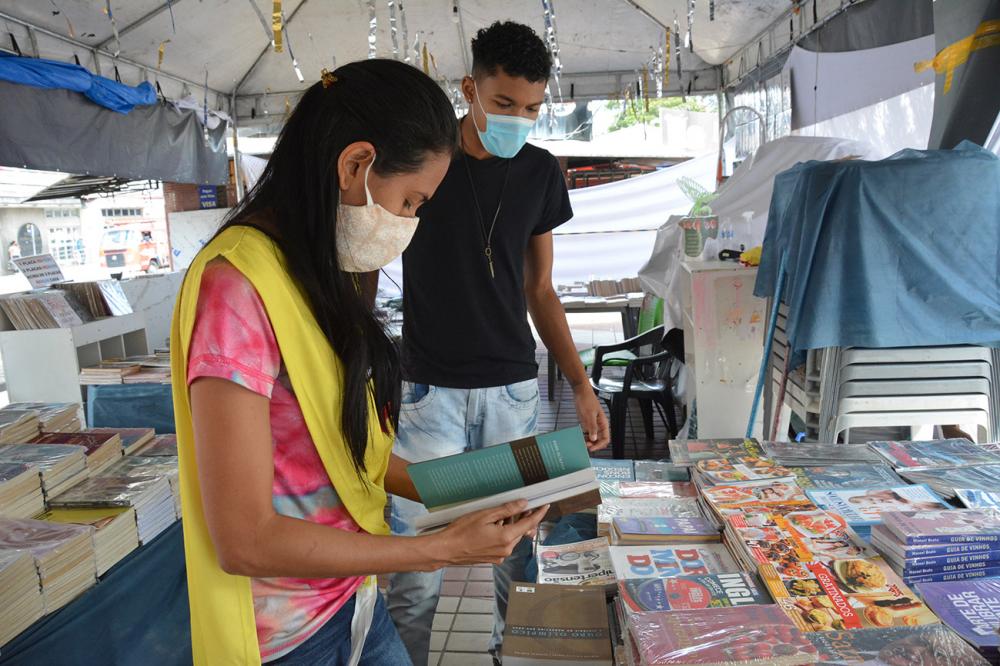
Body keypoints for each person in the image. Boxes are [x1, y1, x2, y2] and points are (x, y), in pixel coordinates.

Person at [171, 59, 548, 666]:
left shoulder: (314, 271)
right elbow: (245, 540)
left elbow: (347, 459)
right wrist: (439, 550)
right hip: (287, 636)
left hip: (351, 600)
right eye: (410, 201)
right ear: (355, 165)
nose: (410, 223)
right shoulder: (236, 288)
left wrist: (491, 484)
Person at [387, 21, 611, 665]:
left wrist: (580, 385)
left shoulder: (539, 172)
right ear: (470, 89)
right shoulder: (423, 161)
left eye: (533, 108)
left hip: (513, 390)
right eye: (504, 103)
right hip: (427, 393)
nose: (519, 119)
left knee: (518, 551)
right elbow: (370, 262)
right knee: (417, 563)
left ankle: (508, 655)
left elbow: (541, 289)